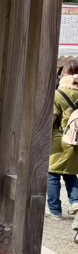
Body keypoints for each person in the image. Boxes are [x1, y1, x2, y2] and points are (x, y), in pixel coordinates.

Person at [47, 61, 78, 219]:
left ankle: (55, 211)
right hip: (76, 141)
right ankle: (75, 201)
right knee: (71, 174)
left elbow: (51, 119)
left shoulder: (58, 94)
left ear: (64, 73)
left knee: (53, 175)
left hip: (59, 140)